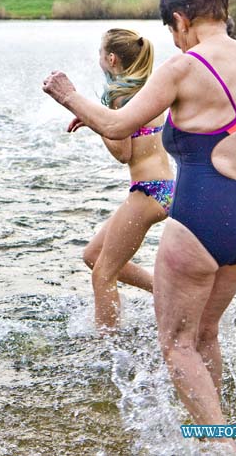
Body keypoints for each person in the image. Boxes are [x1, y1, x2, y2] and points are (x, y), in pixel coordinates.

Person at [43, 0, 236, 449]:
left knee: (176, 344)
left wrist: (68, 93)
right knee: (205, 332)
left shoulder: (183, 66)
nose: (175, 38)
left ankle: (222, 445)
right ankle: (220, 424)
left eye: (173, 29)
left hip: (204, 212)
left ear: (181, 20)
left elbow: (117, 124)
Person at [77, 29, 174, 333]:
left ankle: (107, 346)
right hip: (163, 188)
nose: (98, 58)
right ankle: (165, 292)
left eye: (99, 52)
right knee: (93, 255)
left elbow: (122, 151)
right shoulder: (146, 91)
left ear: (111, 59)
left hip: (147, 191)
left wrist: (97, 122)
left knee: (102, 274)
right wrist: (99, 121)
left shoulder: (120, 96)